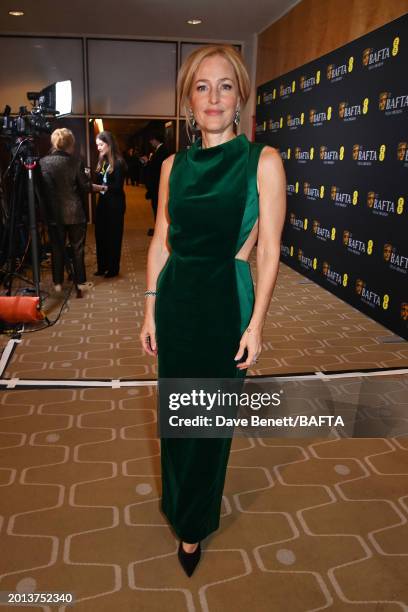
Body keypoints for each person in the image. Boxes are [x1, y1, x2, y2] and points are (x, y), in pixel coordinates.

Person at [140, 45, 286, 577]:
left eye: (225, 86)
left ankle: (194, 523)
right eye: (202, 86)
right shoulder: (173, 166)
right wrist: (151, 309)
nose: (213, 97)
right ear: (188, 98)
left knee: (211, 421)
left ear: (241, 96)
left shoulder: (262, 161)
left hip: (226, 299)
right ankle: (182, 511)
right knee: (179, 415)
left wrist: (257, 323)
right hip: (178, 301)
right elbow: (161, 241)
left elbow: (268, 249)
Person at [39, 127, 92, 292]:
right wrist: (88, 177)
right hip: (74, 212)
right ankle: (80, 281)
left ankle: (57, 283)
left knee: (56, 247)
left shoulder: (42, 162)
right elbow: (85, 187)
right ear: (71, 143)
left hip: (54, 213)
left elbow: (41, 190)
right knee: (77, 248)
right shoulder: (76, 162)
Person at [93, 131, 127, 278]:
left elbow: (118, 186)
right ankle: (102, 267)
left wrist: (101, 188)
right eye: (97, 145)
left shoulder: (118, 162)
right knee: (100, 235)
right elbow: (100, 180)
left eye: (101, 144)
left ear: (109, 144)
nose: (99, 148)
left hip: (115, 204)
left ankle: (113, 269)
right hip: (103, 203)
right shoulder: (102, 161)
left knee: (113, 237)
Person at [141, 132, 169, 236]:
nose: (150, 142)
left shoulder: (162, 151)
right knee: (156, 208)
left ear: (155, 139)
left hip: (158, 185)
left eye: (151, 140)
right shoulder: (158, 150)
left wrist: (148, 162)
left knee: (158, 208)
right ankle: (158, 228)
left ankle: (159, 230)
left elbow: (157, 169)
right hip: (156, 185)